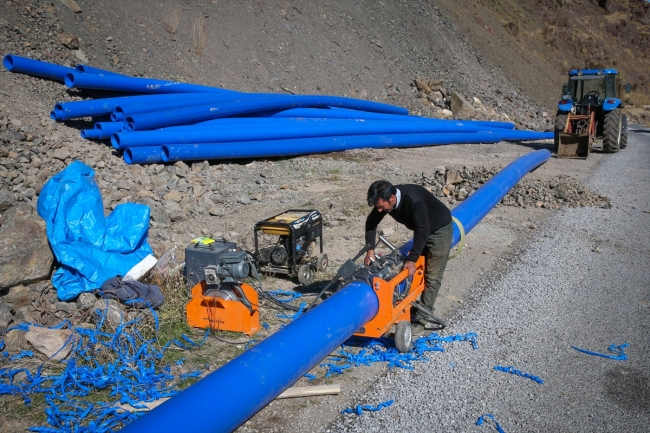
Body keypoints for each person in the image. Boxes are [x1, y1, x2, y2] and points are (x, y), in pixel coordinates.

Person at [364, 180, 452, 335]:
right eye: (376, 207)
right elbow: (371, 222)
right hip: (422, 229)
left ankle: (421, 320)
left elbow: (423, 230)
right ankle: (409, 303)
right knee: (413, 270)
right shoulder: (385, 199)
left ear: (392, 198)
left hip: (439, 229)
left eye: (381, 206)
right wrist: (370, 250)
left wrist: (411, 260)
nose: (379, 210)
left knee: (432, 276)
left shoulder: (413, 200)